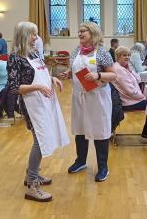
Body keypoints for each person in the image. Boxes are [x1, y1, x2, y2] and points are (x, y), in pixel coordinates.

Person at [7, 22, 69, 202]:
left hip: (44, 101)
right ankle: (32, 185)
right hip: (31, 104)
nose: (36, 38)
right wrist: (37, 87)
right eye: (33, 34)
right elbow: (13, 87)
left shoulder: (33, 53)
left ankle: (31, 175)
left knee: (44, 138)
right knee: (40, 141)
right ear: (24, 35)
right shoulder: (15, 58)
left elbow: (38, 74)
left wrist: (52, 78)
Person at [59, 22, 116, 183]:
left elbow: (113, 76)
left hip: (98, 97)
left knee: (100, 131)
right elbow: (75, 69)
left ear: (93, 33)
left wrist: (98, 76)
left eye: (83, 31)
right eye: (79, 30)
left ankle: (103, 167)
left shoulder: (102, 53)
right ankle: (80, 161)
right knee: (80, 128)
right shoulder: (76, 51)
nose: (80, 33)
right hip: (79, 97)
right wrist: (68, 73)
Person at [111, 47, 147, 141]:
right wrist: (143, 97)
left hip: (131, 99)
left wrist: (130, 70)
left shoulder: (122, 67)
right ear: (118, 57)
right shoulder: (119, 70)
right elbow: (130, 91)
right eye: (124, 55)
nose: (127, 57)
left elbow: (139, 79)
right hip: (129, 102)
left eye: (128, 55)